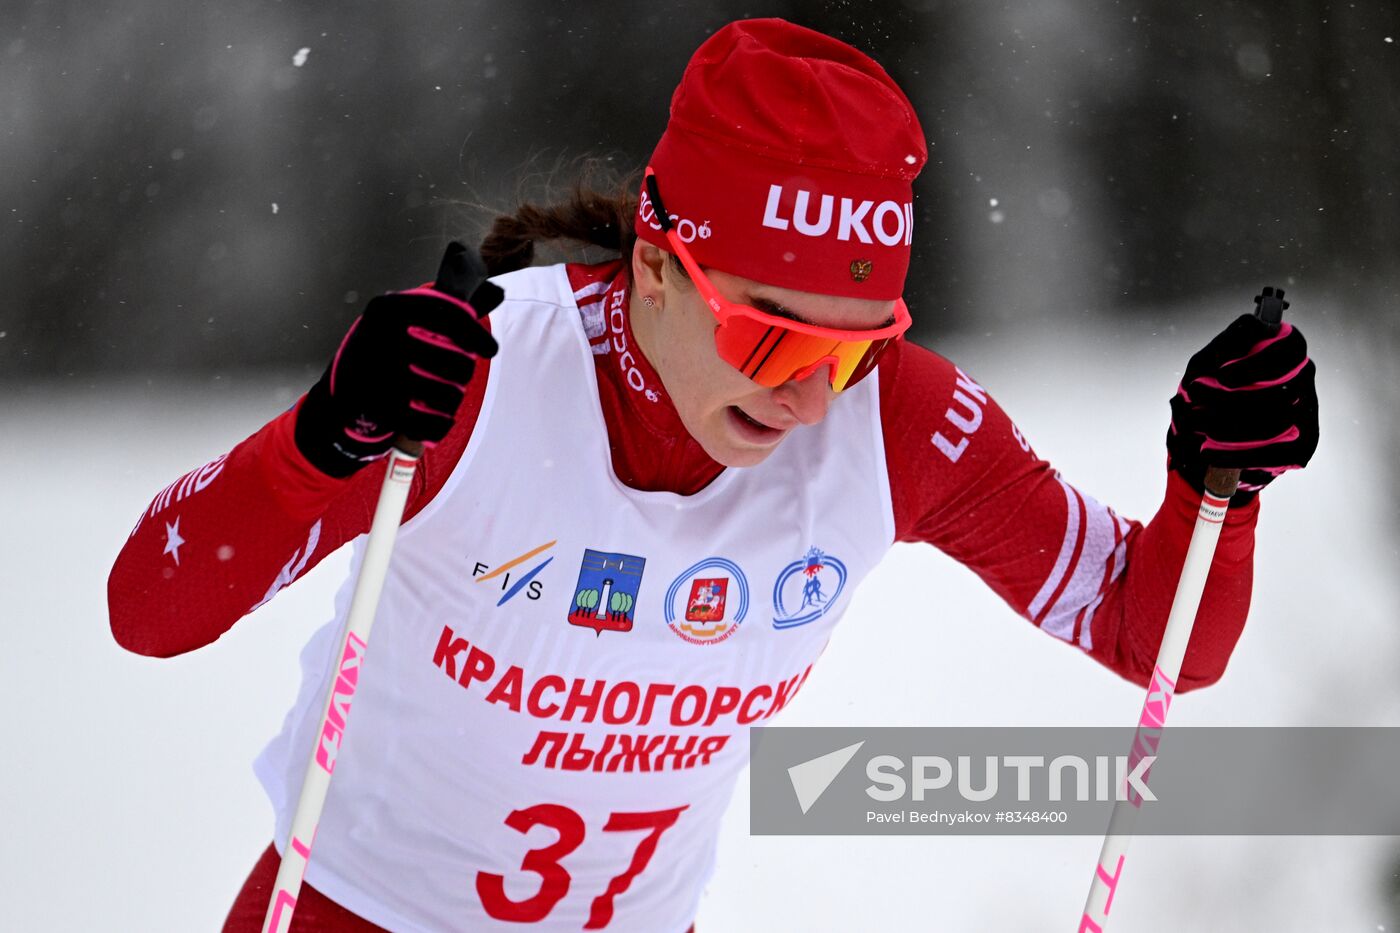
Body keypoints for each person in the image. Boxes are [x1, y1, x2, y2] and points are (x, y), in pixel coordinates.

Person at [107, 18, 1319, 932]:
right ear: (653, 265)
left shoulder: (896, 424)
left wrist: (1217, 483)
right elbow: (146, 613)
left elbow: (1153, 634)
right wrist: (325, 437)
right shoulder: (477, 372)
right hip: (354, 911)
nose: (806, 395)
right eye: (773, 334)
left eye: (854, 349)